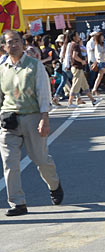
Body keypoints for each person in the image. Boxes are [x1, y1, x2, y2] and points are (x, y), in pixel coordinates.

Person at [0, 31, 64, 216]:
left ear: (22, 43)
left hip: (33, 117)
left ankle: (54, 185)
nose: (14, 45)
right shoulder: (2, 68)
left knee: (41, 159)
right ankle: (17, 203)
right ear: (4, 46)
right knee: (9, 162)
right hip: (9, 120)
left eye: (17, 41)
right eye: (10, 42)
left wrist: (45, 118)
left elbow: (43, 93)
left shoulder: (35, 66)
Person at [67, 31, 98, 108]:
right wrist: (82, 61)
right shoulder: (75, 45)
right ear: (74, 37)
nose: (79, 36)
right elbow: (75, 56)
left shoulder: (71, 44)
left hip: (77, 67)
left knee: (85, 85)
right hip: (77, 67)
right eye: (77, 35)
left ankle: (93, 100)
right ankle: (70, 102)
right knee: (76, 85)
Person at [89, 32, 105, 96]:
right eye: (101, 37)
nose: (103, 38)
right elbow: (98, 54)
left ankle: (94, 89)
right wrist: (103, 52)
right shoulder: (97, 45)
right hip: (101, 62)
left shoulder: (103, 44)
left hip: (103, 61)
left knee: (100, 76)